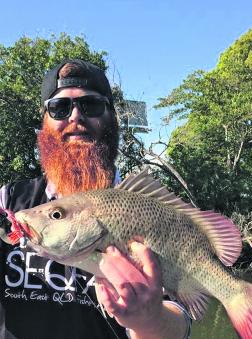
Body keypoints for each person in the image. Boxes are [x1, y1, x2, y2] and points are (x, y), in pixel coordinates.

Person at [0, 59, 191, 339]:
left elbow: (180, 322)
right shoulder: (9, 202)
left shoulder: (149, 209)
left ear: (112, 117)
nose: (75, 117)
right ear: (43, 123)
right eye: (59, 107)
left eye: (91, 105)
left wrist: (150, 320)